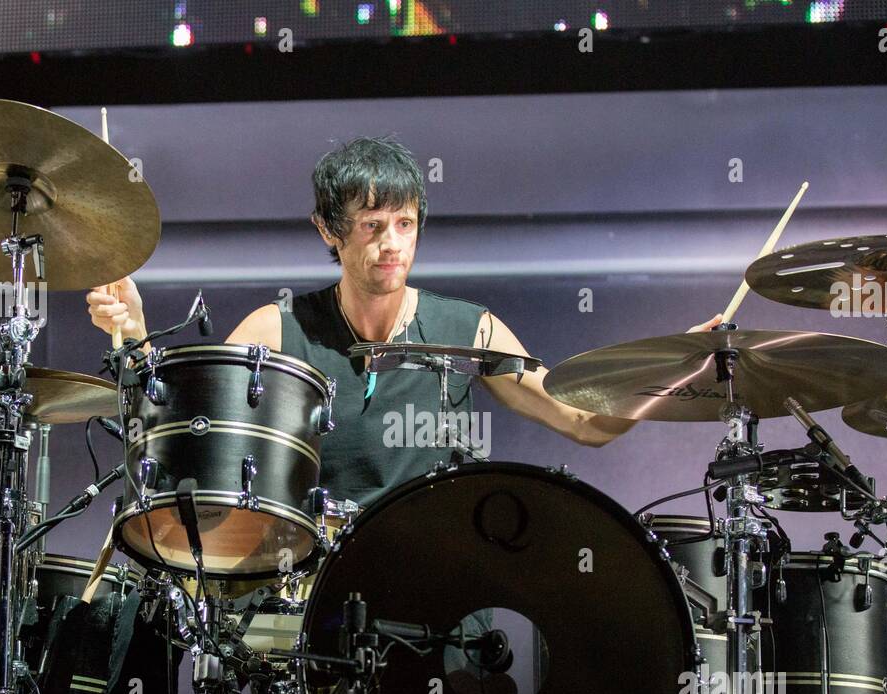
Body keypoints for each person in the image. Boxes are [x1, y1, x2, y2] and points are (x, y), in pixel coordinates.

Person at [89, 136, 724, 509]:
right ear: (329, 232)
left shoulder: (469, 330)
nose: (392, 243)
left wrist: (667, 372)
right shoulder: (276, 331)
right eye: (371, 226)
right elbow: (188, 432)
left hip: (434, 590)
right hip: (317, 597)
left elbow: (584, 424)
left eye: (406, 223)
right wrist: (138, 336)